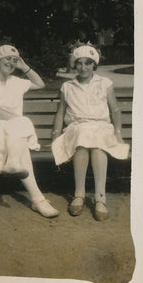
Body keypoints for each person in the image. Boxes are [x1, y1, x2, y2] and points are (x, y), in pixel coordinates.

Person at [0, 45, 59, 218]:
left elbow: (40, 84)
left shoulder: (16, 81)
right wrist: (18, 120)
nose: (11, 63)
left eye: (14, 60)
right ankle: (38, 199)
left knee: (18, 140)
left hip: (12, 129)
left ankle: (30, 188)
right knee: (21, 129)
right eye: (7, 59)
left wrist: (24, 67)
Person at [49, 44, 130, 220]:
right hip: (77, 127)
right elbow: (61, 112)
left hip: (101, 126)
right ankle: (79, 194)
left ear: (94, 65)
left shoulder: (104, 83)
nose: (83, 67)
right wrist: (55, 134)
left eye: (88, 63)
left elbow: (115, 110)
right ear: (74, 65)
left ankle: (100, 197)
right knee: (82, 139)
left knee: (98, 145)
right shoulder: (67, 86)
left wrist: (118, 133)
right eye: (79, 63)